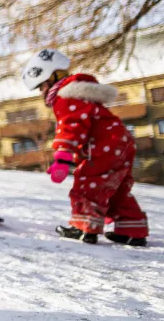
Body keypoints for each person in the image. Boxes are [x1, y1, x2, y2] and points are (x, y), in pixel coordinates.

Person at [21, 48, 149, 246]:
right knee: (116, 189)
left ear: (51, 77)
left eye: (41, 86)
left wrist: (62, 158)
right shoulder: (81, 94)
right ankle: (132, 229)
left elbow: (71, 126)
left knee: (88, 186)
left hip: (102, 146)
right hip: (120, 142)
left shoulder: (67, 97)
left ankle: (84, 229)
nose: (41, 92)